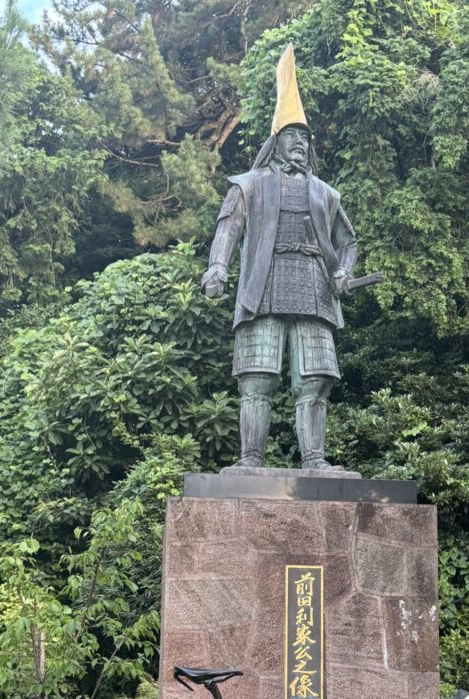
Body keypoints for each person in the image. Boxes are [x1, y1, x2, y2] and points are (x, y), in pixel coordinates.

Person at [202, 44, 358, 471]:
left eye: (305, 139)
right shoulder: (248, 184)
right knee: (257, 378)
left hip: (314, 289)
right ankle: (250, 460)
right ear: (276, 141)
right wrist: (217, 267)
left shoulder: (326, 193)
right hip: (264, 287)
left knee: (315, 381)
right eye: (292, 136)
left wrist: (343, 271)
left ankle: (316, 461)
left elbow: (349, 241)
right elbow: (228, 229)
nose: (300, 145)